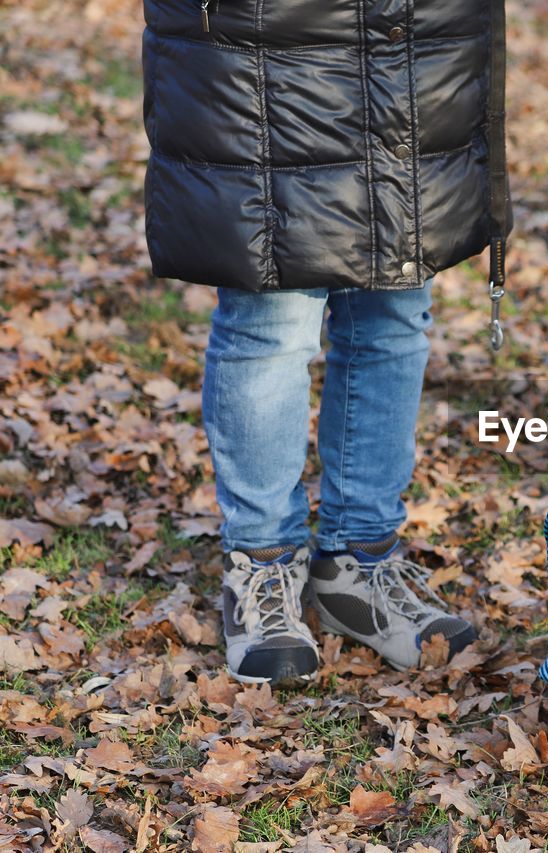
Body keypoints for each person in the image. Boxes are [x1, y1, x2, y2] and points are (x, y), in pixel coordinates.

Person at [141, 0, 510, 683]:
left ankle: (361, 565)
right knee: (273, 311)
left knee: (395, 307)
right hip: (263, 40)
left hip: (416, 36)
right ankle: (263, 565)